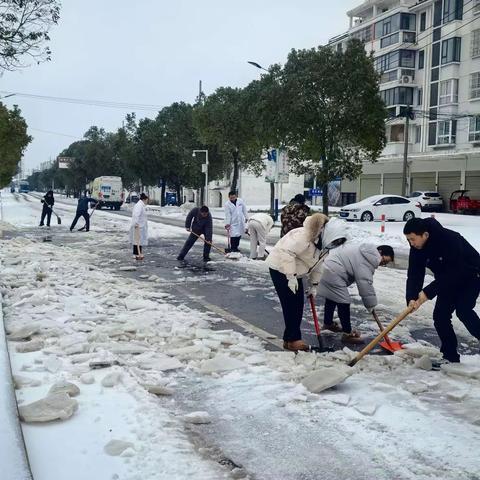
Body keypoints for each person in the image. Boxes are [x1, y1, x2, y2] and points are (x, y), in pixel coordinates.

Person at [404, 217, 480, 364]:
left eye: (413, 239)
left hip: (471, 275)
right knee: (440, 316)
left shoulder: (449, 239)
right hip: (447, 280)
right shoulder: (416, 248)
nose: (411, 243)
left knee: (463, 310)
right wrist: (412, 297)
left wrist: (427, 293)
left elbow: (455, 272)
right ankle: (450, 356)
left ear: (425, 235)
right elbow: (414, 273)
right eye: (408, 240)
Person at [266, 215, 346, 352]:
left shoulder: (323, 243)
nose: (334, 245)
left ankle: (289, 339)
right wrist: (290, 276)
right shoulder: (303, 236)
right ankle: (293, 340)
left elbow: (318, 265)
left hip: (295, 271)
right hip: (280, 268)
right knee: (291, 305)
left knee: (298, 305)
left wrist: (314, 285)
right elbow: (286, 252)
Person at [317, 244, 395, 344]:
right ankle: (347, 334)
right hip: (334, 271)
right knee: (343, 301)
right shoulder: (368, 261)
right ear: (379, 252)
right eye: (384, 261)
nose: (382, 264)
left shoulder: (365, 253)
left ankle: (328, 323)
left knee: (332, 297)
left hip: (328, 267)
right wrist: (371, 305)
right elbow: (365, 285)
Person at [129, 193, 149, 260]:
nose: (147, 202)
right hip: (138, 226)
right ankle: (136, 254)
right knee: (137, 240)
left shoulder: (141, 205)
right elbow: (136, 215)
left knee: (138, 241)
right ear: (144, 199)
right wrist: (136, 223)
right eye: (147, 200)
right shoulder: (139, 206)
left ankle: (138, 253)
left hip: (140, 226)